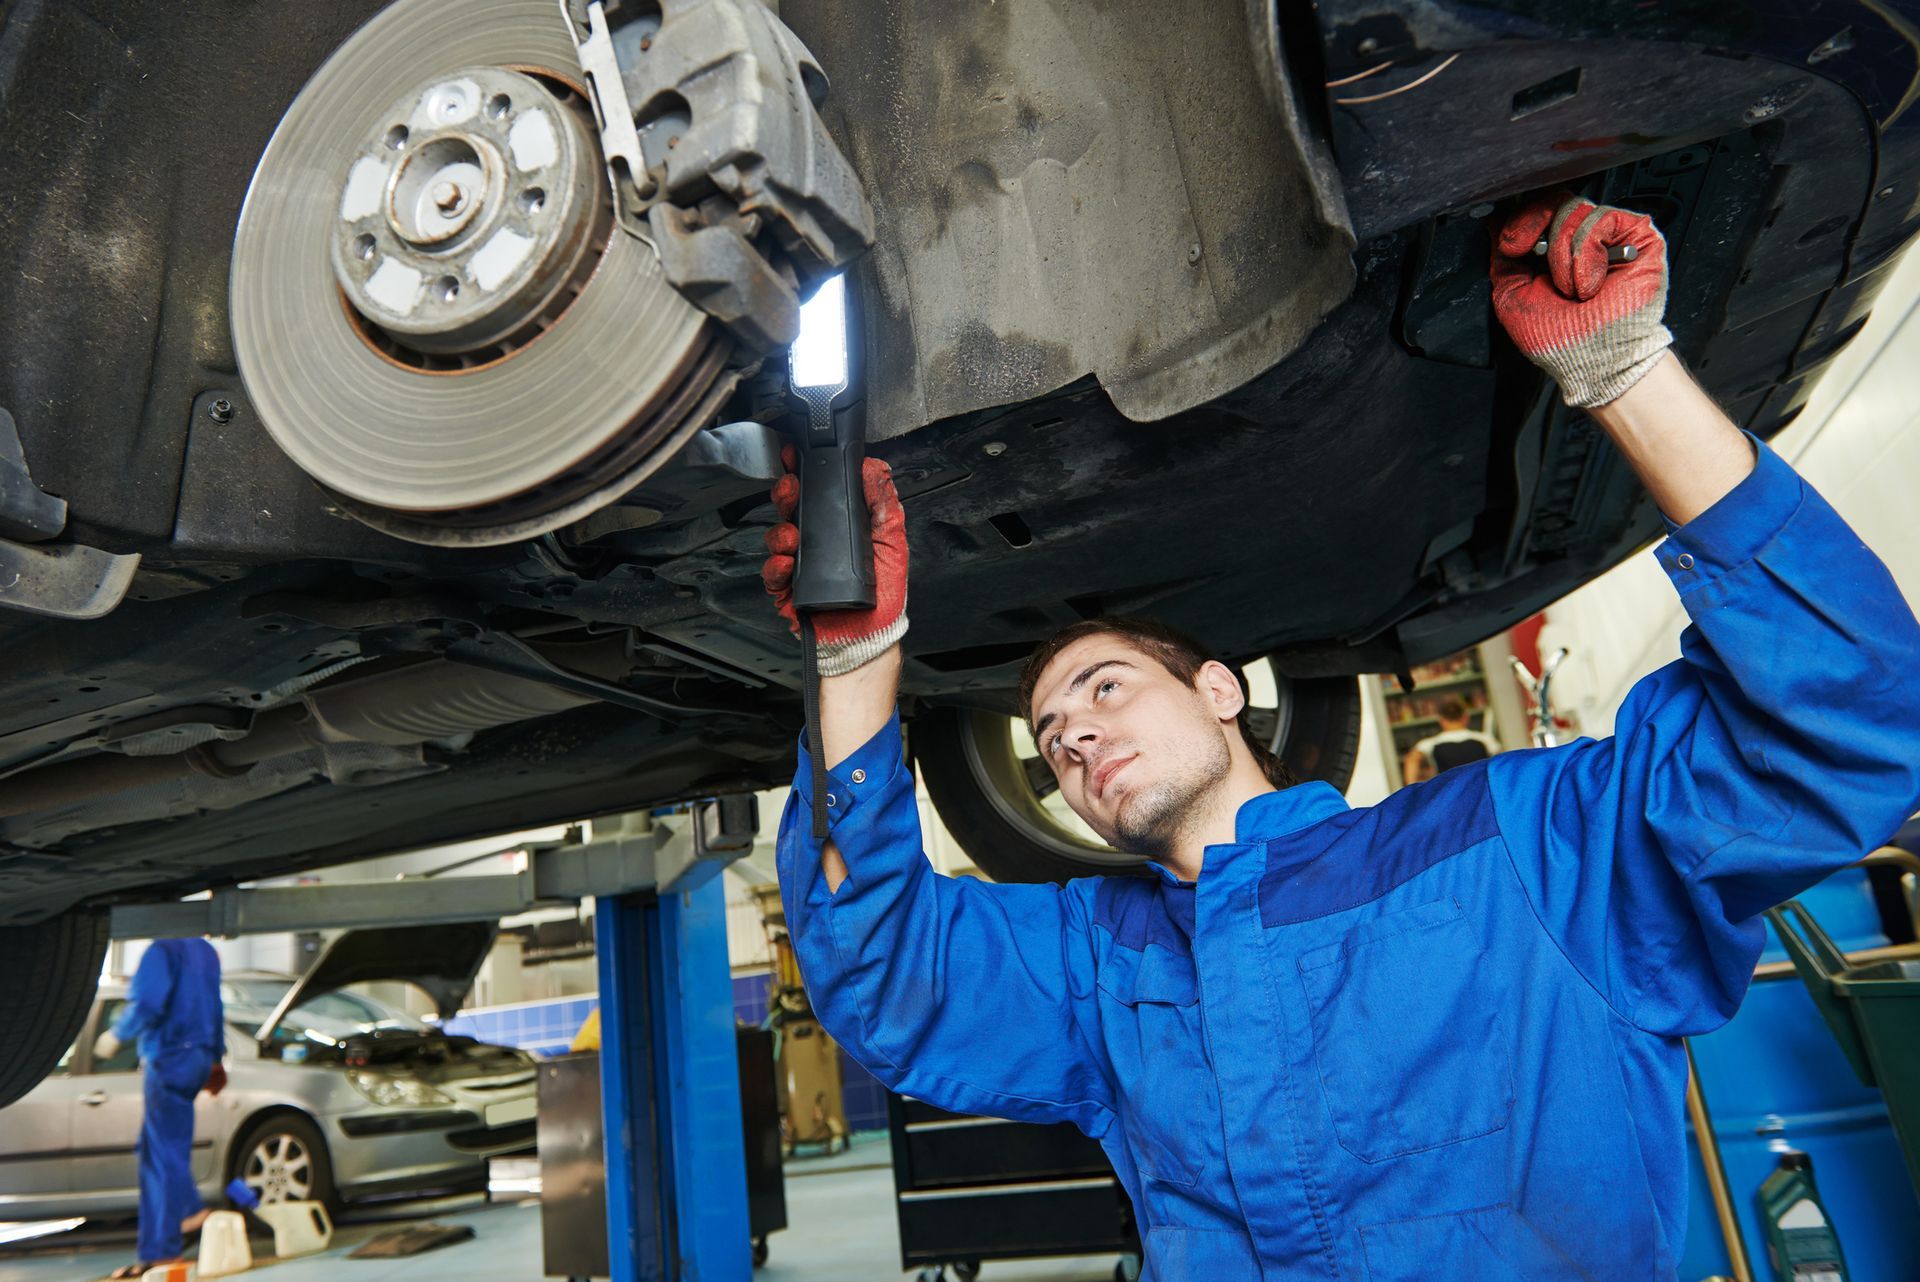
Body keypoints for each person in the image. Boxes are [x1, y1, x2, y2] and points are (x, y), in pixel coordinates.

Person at [758, 192, 1920, 1279]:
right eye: (1051, 733)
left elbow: (1840, 721)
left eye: (1106, 688)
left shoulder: (1521, 848)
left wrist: (1622, 371)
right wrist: (856, 658)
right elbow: (882, 970)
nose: (1071, 737)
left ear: (1221, 687)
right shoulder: (1094, 965)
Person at [94, 937, 227, 1280]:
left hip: (168, 1055)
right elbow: (215, 1005)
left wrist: (117, 1035)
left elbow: (149, 1002)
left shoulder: (162, 950)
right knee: (161, 1146)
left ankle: (176, 1229)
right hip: (196, 1056)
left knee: (160, 1153)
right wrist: (214, 1059)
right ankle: (172, 1233)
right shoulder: (204, 950)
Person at [1402, 695, 1501, 783]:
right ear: (1465, 717)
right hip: (1482, 789)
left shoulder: (1430, 743)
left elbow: (1411, 760)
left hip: (1449, 793)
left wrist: (1412, 790)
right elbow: (1502, 759)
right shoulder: (1484, 739)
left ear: (1442, 720)